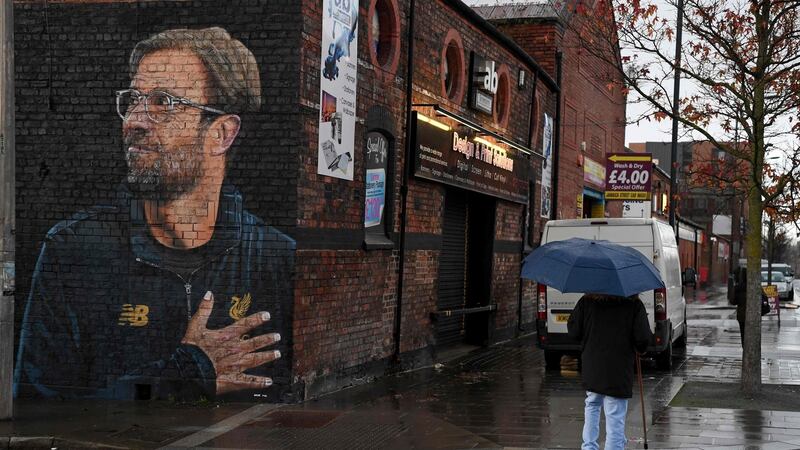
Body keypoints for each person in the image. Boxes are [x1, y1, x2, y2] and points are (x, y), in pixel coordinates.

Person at [14, 28, 295, 400]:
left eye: (164, 102)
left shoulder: (275, 259)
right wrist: (185, 375)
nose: (134, 121)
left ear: (222, 134)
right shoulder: (74, 250)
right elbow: (39, 410)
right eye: (133, 99)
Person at [567, 293, 652, 450]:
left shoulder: (587, 301)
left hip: (593, 364)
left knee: (592, 404)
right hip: (618, 368)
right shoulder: (633, 304)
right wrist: (640, 348)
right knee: (615, 414)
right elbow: (643, 338)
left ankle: (589, 447)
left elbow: (573, 331)